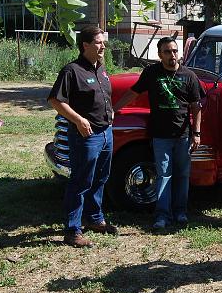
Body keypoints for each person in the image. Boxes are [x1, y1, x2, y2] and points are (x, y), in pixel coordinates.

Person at [113, 36, 202, 231]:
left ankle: (180, 212)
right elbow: (133, 92)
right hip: (160, 135)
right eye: (168, 52)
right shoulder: (152, 73)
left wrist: (196, 133)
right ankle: (162, 215)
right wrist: (114, 109)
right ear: (160, 55)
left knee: (182, 175)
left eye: (175, 51)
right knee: (163, 175)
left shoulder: (189, 76)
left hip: (183, 135)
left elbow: (196, 107)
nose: (173, 55)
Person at [48, 25, 117, 247]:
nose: (103, 46)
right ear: (85, 45)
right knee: (80, 181)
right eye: (98, 42)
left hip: (106, 133)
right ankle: (72, 230)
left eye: (103, 42)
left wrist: (110, 110)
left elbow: (103, 96)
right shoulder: (72, 71)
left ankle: (94, 219)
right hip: (86, 136)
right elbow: (56, 101)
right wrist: (78, 120)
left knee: (101, 178)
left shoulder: (102, 69)